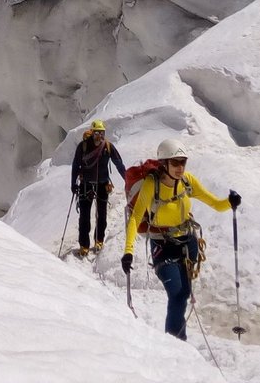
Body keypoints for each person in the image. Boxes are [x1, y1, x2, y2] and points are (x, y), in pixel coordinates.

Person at [120, 138, 242, 340]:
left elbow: (216, 204)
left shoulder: (187, 181)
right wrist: (128, 252)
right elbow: (134, 219)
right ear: (164, 163)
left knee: (184, 294)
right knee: (177, 294)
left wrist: (230, 202)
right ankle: (175, 342)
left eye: (183, 162)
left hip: (188, 244)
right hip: (162, 245)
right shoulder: (152, 186)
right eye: (175, 162)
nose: (180, 167)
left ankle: (177, 339)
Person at [69, 118, 126, 256]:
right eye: (97, 133)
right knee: (84, 216)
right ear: (92, 133)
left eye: (102, 133)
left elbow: (119, 163)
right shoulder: (83, 147)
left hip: (102, 184)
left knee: (102, 215)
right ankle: (84, 244)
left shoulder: (107, 147)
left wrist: (127, 179)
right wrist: (73, 183)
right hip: (86, 184)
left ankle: (98, 239)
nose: (99, 136)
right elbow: (76, 166)